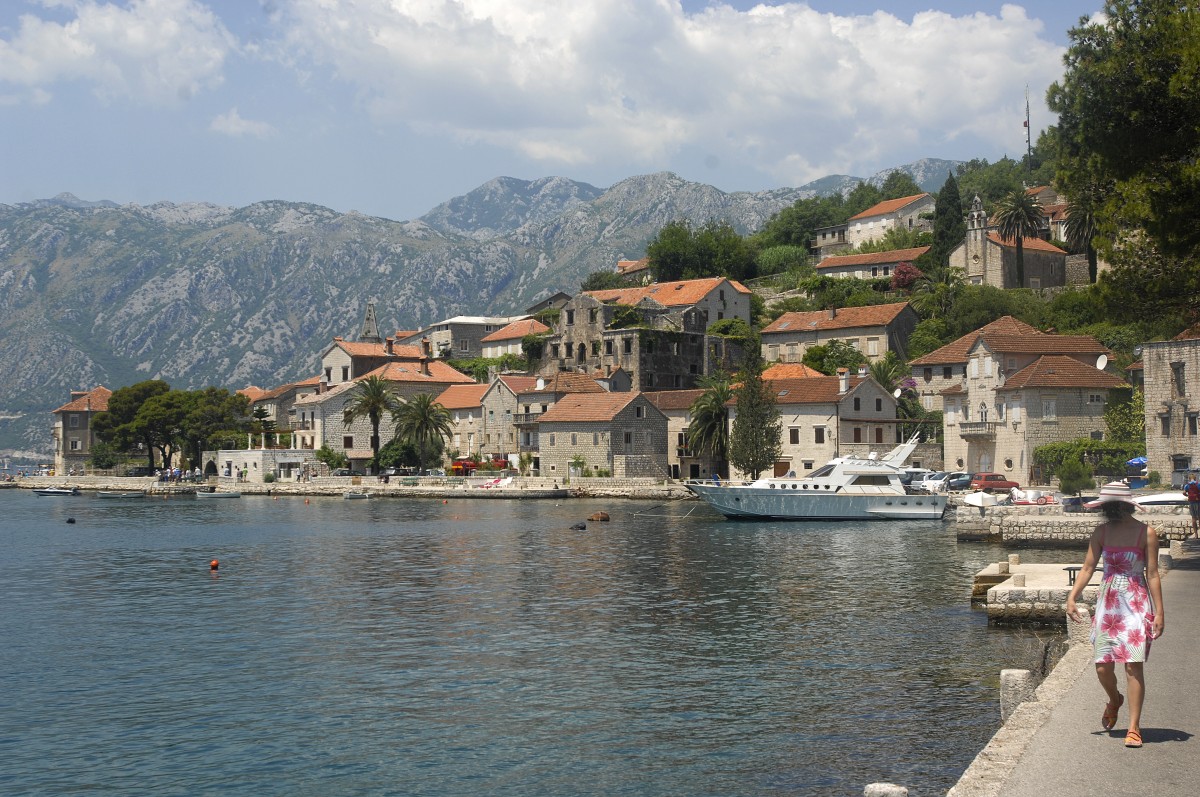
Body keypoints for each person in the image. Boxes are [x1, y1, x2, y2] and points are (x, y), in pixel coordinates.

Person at [1066, 481, 1165, 749]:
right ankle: (1114, 699)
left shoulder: (1146, 533)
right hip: (1108, 604)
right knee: (1102, 666)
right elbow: (1087, 568)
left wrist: (1159, 612)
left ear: (1122, 506)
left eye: (1111, 506)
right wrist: (1072, 596)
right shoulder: (1101, 532)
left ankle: (1134, 727)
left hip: (1136, 603)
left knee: (1133, 665)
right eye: (1106, 506)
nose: (1109, 510)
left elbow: (1153, 574)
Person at [1183, 472, 1200, 537]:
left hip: (1191, 502)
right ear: (1195, 478)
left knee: (1193, 518)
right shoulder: (1198, 484)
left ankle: (1196, 534)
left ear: (1189, 479)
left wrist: (1188, 495)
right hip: (1198, 502)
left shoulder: (1187, 485)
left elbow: (1184, 493)